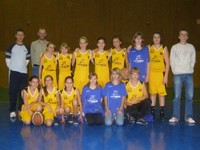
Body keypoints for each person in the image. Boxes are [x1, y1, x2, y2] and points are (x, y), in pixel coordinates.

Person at [169, 29, 196, 123]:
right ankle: (175, 116)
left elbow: (193, 60)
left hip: (189, 74)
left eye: (185, 35)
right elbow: (171, 61)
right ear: (179, 36)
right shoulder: (174, 47)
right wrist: (175, 71)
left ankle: (188, 117)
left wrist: (189, 69)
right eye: (182, 34)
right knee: (177, 96)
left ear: (187, 37)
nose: (183, 36)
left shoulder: (191, 47)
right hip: (177, 75)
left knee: (190, 96)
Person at [5, 28, 30, 118]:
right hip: (14, 72)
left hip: (23, 73)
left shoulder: (27, 47)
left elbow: (27, 60)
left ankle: (20, 109)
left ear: (24, 36)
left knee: (22, 92)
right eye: (18, 35)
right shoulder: (11, 46)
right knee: (12, 91)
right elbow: (7, 59)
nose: (20, 37)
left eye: (22, 35)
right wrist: (14, 68)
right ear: (16, 36)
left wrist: (21, 67)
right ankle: (12, 110)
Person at [149, 32, 170, 121]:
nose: (156, 39)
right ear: (152, 39)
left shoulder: (164, 48)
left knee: (161, 94)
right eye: (155, 37)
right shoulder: (149, 48)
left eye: (158, 37)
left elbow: (168, 63)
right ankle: (152, 112)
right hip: (151, 74)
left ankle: (162, 113)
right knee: (153, 93)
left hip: (160, 74)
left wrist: (166, 76)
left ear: (160, 39)